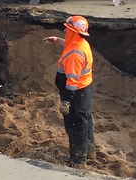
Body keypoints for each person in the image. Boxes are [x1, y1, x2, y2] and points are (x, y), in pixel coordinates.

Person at [43, 15, 96, 168]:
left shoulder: (74, 55)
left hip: (76, 93)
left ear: (73, 31)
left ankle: (78, 160)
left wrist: (66, 100)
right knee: (85, 119)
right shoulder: (80, 43)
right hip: (84, 88)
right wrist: (58, 40)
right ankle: (90, 151)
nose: (65, 30)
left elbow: (72, 81)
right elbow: (70, 45)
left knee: (75, 124)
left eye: (67, 28)